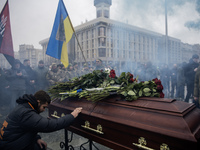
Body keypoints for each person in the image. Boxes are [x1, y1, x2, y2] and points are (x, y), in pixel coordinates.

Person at [0, 90, 82, 150]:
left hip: (12, 141)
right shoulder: (26, 113)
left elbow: (27, 128)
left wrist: (36, 138)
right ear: (38, 102)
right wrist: (71, 116)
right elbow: (49, 125)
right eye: (44, 107)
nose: (43, 110)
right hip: (10, 146)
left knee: (40, 146)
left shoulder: (25, 106)